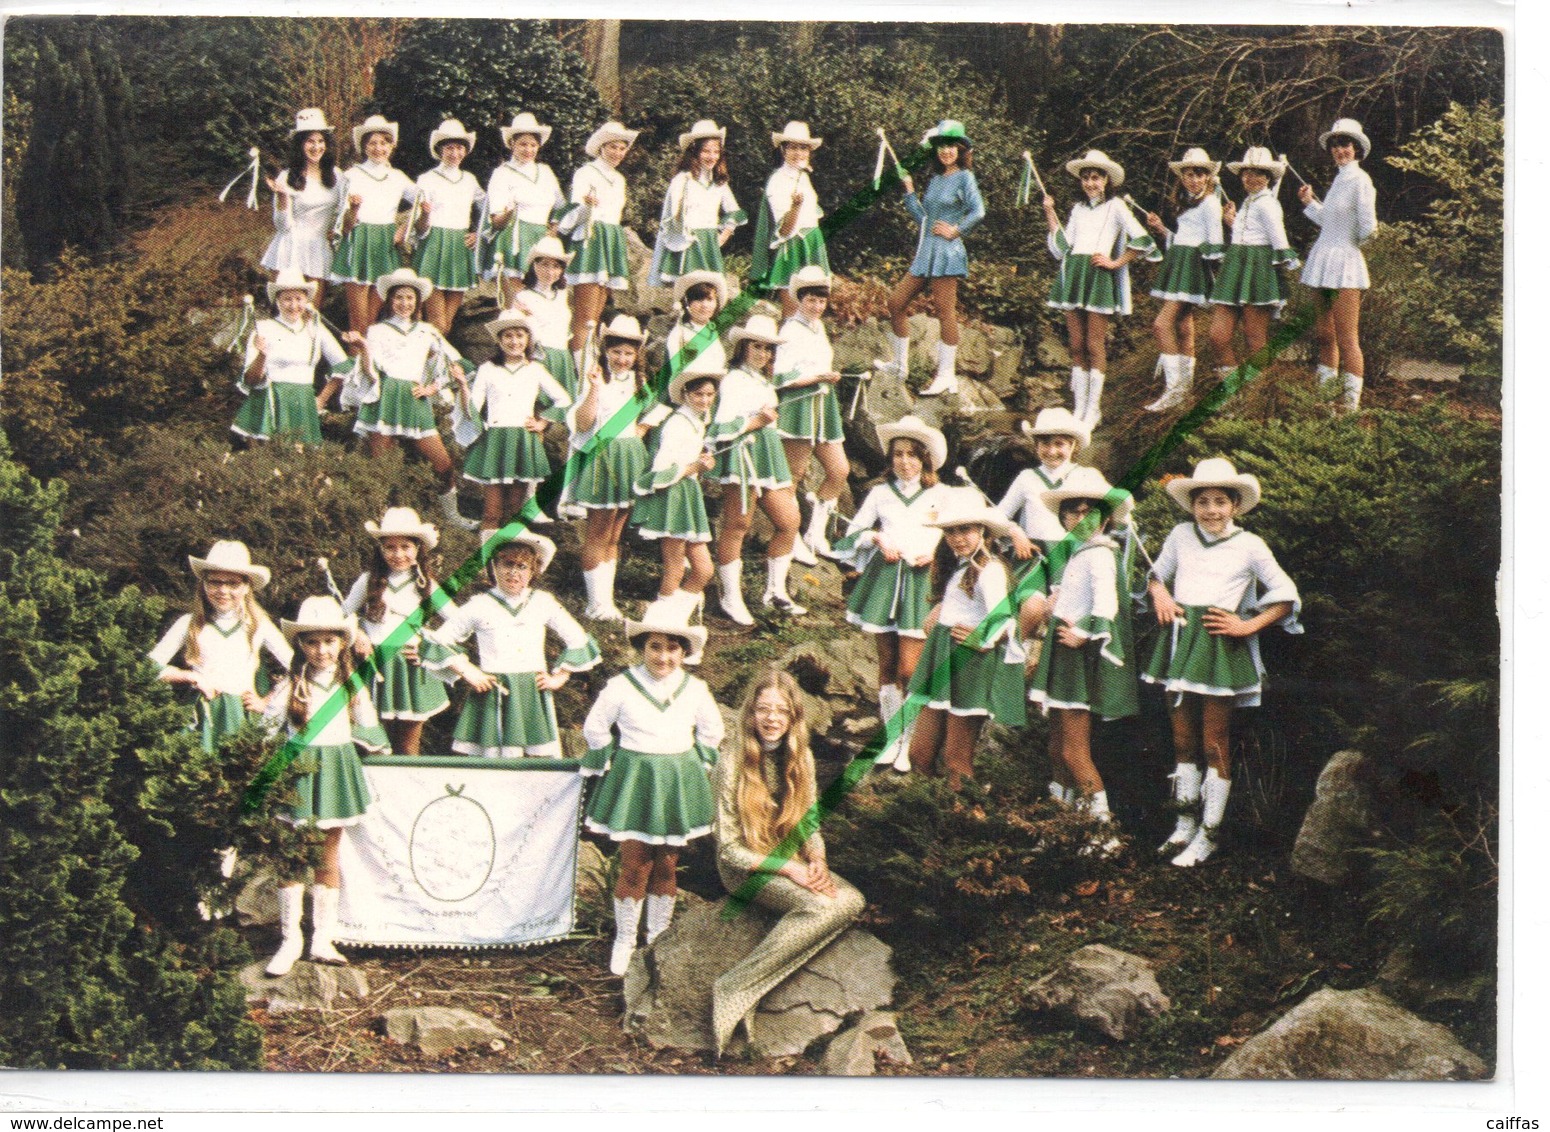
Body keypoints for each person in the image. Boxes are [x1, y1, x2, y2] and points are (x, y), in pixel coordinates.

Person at [1144, 458, 1301, 867]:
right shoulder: (1180, 535)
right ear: (1192, 505)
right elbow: (1155, 574)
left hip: (1217, 648)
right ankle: (1183, 827)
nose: (1211, 510)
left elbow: (1286, 594)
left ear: (1234, 505)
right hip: (1181, 642)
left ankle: (1209, 835)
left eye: (1220, 502)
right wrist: (1159, 593)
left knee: (1215, 744)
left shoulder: (1250, 545)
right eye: (1203, 502)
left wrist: (1247, 626)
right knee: (1182, 742)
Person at [711, 670, 864, 1056]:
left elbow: (808, 820)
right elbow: (729, 848)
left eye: (781, 710)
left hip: (791, 856)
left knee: (851, 901)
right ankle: (732, 986)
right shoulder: (730, 762)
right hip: (745, 868)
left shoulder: (801, 755)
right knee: (819, 905)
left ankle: (747, 988)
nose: (772, 718)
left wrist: (816, 859)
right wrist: (790, 870)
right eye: (763, 709)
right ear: (750, 714)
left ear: (794, 716)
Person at [581, 609, 723, 975]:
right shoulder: (621, 685)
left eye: (672, 649)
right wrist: (616, 763)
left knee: (667, 863)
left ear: (684, 653)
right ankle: (625, 938)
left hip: (676, 779)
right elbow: (596, 727)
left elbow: (711, 731)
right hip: (637, 780)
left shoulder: (695, 689)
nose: (663, 657)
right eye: (655, 647)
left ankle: (658, 936)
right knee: (634, 864)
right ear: (642, 648)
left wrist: (694, 768)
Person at [263, 596, 390, 977]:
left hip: (335, 772)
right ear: (301, 646)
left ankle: (322, 938)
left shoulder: (352, 686)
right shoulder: (289, 686)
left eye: (329, 642)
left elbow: (371, 731)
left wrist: (380, 750)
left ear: (342, 643)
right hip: (297, 772)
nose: (321, 650)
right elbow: (266, 731)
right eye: (312, 642)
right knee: (291, 855)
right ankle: (290, 940)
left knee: (327, 856)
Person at [830, 416, 951, 772]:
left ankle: (910, 739)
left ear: (926, 460)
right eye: (898, 455)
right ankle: (891, 736)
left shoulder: (941, 495)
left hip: (922, 582)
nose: (905, 462)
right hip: (885, 580)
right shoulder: (881, 493)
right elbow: (852, 535)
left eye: (913, 455)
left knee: (909, 667)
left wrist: (936, 553)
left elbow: (957, 536)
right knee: (886, 665)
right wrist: (877, 538)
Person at [1025, 468, 1140, 834]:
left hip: (1078, 661)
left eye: (1088, 511)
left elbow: (1107, 607)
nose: (1079, 518)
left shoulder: (1101, 554)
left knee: (1075, 752)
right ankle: (1062, 825)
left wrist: (1084, 632)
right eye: (1071, 511)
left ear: (1104, 519)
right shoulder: (1080, 553)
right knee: (1057, 750)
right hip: (1062, 657)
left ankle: (1102, 831)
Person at [428, 533, 601, 759]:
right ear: (494, 566)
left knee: (536, 762)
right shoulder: (480, 604)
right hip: (492, 692)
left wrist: (560, 677)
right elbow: (439, 640)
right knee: (491, 762)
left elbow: (578, 638)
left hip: (531, 693)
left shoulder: (542, 602)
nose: (514, 572)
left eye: (522, 566)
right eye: (507, 564)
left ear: (533, 572)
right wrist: (469, 671)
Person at [904, 487, 1027, 789]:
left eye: (966, 530)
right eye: (951, 532)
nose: (958, 538)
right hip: (942, 655)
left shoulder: (991, 569)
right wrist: (940, 608)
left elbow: (1004, 618)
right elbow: (963, 599)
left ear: (983, 531)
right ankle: (928, 815)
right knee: (919, 754)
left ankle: (957, 820)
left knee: (956, 759)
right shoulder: (961, 566)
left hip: (969, 664)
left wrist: (981, 637)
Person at [1042, 149, 1161, 430]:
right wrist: (1049, 213)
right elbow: (1062, 249)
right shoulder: (1077, 209)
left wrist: (1116, 262)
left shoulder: (1117, 206)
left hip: (1097, 277)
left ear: (1106, 180)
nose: (1090, 183)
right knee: (1076, 345)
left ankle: (1093, 410)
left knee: (1094, 344)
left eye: (1096, 177)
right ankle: (1079, 408)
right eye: (1086, 178)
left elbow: (1144, 240)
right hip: (1073, 276)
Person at [349, 268, 473, 531]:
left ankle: (452, 516)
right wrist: (362, 348)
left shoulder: (428, 331)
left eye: (410, 298)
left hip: (415, 401)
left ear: (418, 302)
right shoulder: (377, 331)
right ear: (389, 301)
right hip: (384, 400)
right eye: (398, 297)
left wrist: (433, 387)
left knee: (443, 463)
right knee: (382, 467)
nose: (404, 303)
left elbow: (457, 364)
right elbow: (371, 371)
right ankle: (380, 520)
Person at [149, 540, 292, 752]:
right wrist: (191, 677)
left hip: (240, 717)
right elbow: (149, 666)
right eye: (215, 582)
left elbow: (298, 666)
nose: (223, 590)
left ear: (246, 587)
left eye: (233, 583)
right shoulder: (189, 623)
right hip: (202, 717)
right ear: (204, 585)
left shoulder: (258, 624)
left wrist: (267, 702)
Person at [710, 314, 805, 624]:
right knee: (738, 524)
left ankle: (775, 592)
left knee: (789, 520)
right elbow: (720, 428)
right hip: (742, 454)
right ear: (743, 347)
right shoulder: (733, 379)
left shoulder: (763, 380)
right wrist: (756, 421)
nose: (763, 354)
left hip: (767, 453)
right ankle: (730, 596)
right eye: (757, 347)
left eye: (768, 349)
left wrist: (766, 422)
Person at [881, 120, 985, 397]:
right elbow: (923, 220)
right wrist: (910, 192)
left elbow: (979, 211)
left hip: (948, 252)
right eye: (941, 146)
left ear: (961, 149)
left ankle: (946, 375)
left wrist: (957, 230)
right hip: (926, 251)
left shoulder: (965, 177)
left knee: (944, 311)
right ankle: (900, 366)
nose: (946, 151)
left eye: (951, 146)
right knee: (896, 302)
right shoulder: (937, 179)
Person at [453, 308, 572, 542]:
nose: (514, 341)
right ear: (499, 340)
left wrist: (542, 422)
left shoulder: (535, 369)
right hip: (496, 441)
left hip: (522, 442)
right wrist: (463, 387)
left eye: (520, 335)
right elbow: (474, 408)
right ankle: (487, 561)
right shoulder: (488, 369)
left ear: (528, 339)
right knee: (492, 511)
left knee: (515, 511)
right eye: (508, 336)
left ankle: (508, 556)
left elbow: (564, 399)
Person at [340, 508, 449, 756]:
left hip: (411, 670)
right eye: (390, 547)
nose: (398, 554)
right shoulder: (368, 580)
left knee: (408, 747)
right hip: (375, 666)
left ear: (418, 548)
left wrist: (428, 646)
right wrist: (358, 634)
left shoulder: (427, 584)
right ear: (380, 549)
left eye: (405, 547)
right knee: (374, 743)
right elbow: (343, 613)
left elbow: (458, 622)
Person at [567, 314, 652, 621]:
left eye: (628, 353)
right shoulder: (595, 378)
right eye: (616, 352)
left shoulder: (639, 381)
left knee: (616, 534)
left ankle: (607, 602)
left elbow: (647, 416)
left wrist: (637, 436)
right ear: (605, 351)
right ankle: (594, 603)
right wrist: (593, 389)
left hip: (630, 456)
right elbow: (583, 423)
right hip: (604, 456)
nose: (622, 359)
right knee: (598, 532)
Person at [631, 362, 721, 636]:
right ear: (684, 395)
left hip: (689, 494)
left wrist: (703, 464)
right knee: (675, 565)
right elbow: (661, 469)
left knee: (704, 570)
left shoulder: (697, 421)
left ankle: (672, 620)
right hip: (672, 496)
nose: (704, 400)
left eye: (709, 395)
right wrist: (695, 467)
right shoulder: (677, 423)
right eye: (698, 395)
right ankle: (660, 624)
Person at [1298, 119, 1379, 411]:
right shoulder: (1339, 180)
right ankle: (1325, 402)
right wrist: (1309, 203)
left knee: (1348, 338)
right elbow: (1330, 223)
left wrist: (1349, 248)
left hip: (1346, 264)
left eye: (1345, 144)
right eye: (1335, 145)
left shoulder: (1361, 180)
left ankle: (1349, 409)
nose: (1339, 150)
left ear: (1356, 149)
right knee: (1324, 335)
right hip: (1323, 261)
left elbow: (1369, 227)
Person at [231, 269, 358, 447]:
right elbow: (251, 380)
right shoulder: (263, 328)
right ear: (277, 301)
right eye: (287, 299)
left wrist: (321, 399)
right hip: (270, 403)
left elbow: (343, 365)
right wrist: (262, 355)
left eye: (298, 299)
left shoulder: (316, 329)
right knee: (266, 462)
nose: (293, 305)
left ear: (307, 301)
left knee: (301, 462)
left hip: (303, 403)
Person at [774, 265, 849, 564]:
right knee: (793, 475)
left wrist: (828, 377)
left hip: (822, 405)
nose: (817, 306)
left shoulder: (819, 328)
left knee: (839, 470)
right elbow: (781, 376)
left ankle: (815, 533)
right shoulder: (790, 329)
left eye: (822, 301)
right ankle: (789, 536)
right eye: (811, 300)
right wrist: (818, 377)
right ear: (800, 299)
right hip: (800, 403)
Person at [1143, 148, 1226, 411]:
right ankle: (1183, 391)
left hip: (1191, 267)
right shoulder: (1187, 202)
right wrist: (1162, 230)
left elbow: (1214, 241)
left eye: (1199, 174)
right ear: (1183, 178)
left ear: (1208, 177)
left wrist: (1212, 267)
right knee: (1183, 326)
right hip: (1179, 261)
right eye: (1189, 174)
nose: (1193, 179)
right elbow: (1185, 236)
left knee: (1161, 324)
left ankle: (1174, 390)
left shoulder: (1211, 203)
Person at [1207, 148, 1301, 381]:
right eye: (1246, 173)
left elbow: (1278, 239)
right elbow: (1249, 233)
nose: (1251, 178)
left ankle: (1258, 394)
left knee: (1254, 337)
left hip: (1257, 269)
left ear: (1268, 177)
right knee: (1218, 335)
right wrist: (1232, 222)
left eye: (1258, 173)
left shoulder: (1268, 204)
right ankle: (1231, 390)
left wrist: (1289, 265)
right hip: (1235, 266)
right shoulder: (1249, 202)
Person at [559, 121, 640, 355]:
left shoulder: (620, 179)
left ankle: (589, 366)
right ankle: (578, 371)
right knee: (584, 315)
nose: (618, 153)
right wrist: (585, 206)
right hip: (590, 239)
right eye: (612, 147)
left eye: (622, 148)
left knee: (595, 315)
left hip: (611, 240)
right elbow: (570, 218)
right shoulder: (585, 173)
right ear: (601, 147)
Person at [330, 114, 415, 336]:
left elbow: (424, 202)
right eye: (372, 143)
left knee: (373, 318)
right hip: (359, 239)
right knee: (359, 321)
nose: (378, 148)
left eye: (384, 143)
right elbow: (343, 225)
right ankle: (356, 364)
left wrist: (403, 229)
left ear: (391, 146)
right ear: (363, 146)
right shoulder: (351, 175)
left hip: (385, 244)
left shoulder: (398, 177)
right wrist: (354, 210)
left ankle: (369, 362)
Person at [260, 108, 347, 309]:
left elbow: (342, 215)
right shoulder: (287, 177)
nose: (316, 147)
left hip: (319, 249)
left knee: (311, 314)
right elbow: (283, 226)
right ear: (300, 145)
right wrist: (282, 197)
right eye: (310, 141)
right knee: (286, 313)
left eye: (320, 141)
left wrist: (335, 232)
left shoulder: (338, 176)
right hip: (289, 249)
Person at [408, 118, 484, 334]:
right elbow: (419, 226)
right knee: (437, 324)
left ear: (465, 151)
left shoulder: (469, 180)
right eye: (449, 147)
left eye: (459, 148)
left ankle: (435, 364)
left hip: (460, 248)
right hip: (433, 246)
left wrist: (479, 233)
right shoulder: (426, 179)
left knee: (446, 326)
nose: (454, 153)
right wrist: (425, 215)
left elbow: (488, 207)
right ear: (440, 150)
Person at [649, 119, 745, 287]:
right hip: (687, 241)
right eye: (706, 151)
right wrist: (684, 233)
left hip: (708, 241)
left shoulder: (719, 182)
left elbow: (735, 211)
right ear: (694, 152)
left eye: (716, 152)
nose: (712, 157)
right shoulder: (683, 180)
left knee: (708, 289)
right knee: (687, 288)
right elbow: (672, 216)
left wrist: (723, 235)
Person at [484, 111, 566, 299]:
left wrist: (553, 228)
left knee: (540, 297)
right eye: (523, 144)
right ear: (512, 144)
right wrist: (509, 214)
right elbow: (496, 220)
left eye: (533, 145)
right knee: (517, 301)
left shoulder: (545, 171)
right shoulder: (502, 173)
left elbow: (562, 206)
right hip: (514, 238)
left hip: (541, 239)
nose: (528, 150)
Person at [750, 121, 828, 316]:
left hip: (812, 243)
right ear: (783, 150)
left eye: (803, 148)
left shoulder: (803, 177)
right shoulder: (778, 181)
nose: (799, 153)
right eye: (793, 147)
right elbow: (784, 230)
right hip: (792, 248)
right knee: (793, 312)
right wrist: (795, 207)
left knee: (811, 313)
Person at [512, 236, 579, 398]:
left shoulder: (563, 294)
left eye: (556, 266)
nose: (550, 272)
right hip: (539, 357)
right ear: (534, 265)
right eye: (544, 265)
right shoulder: (524, 297)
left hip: (562, 357)